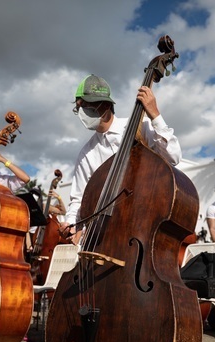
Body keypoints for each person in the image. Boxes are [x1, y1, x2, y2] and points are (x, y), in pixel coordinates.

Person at [60, 74, 181, 243]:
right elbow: (79, 198)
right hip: (103, 236)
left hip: (141, 229)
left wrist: (155, 115)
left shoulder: (141, 126)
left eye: (86, 106)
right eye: (78, 108)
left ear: (105, 105)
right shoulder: (86, 153)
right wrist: (71, 223)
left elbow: (174, 157)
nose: (82, 112)